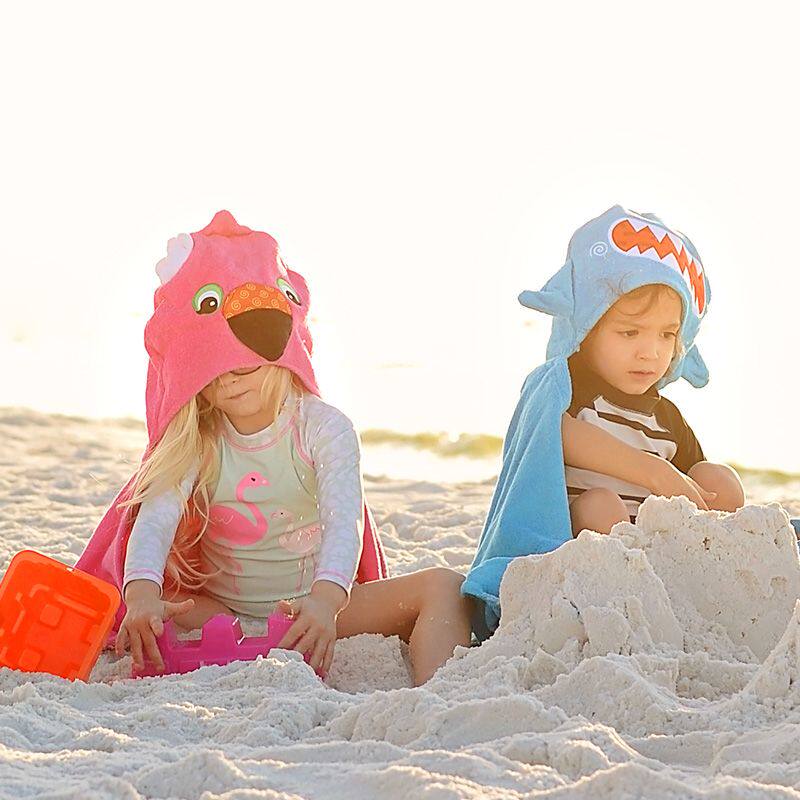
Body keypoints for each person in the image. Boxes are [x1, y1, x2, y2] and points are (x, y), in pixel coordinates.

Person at [76, 210, 471, 685]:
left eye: (246, 364)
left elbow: (344, 523)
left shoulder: (324, 428)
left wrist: (325, 602)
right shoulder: (199, 439)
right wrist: (140, 594)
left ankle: (438, 693)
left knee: (444, 587)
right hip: (221, 612)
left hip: (315, 608)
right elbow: (156, 519)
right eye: (213, 371)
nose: (232, 377)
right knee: (148, 603)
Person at [462, 205, 743, 639]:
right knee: (600, 505)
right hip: (586, 547)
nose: (651, 352)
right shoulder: (569, 388)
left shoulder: (666, 418)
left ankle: (709, 580)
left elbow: (691, 484)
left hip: (654, 549)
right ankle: (624, 596)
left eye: (667, 335)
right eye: (630, 332)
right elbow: (554, 434)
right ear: (587, 328)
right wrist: (652, 469)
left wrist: (690, 491)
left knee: (718, 479)